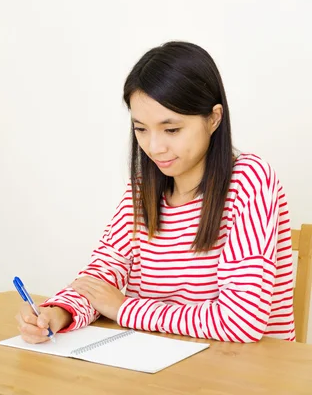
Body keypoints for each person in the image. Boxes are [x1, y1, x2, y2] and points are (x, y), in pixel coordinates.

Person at [16, 41, 294, 344]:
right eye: (141, 129)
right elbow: (101, 275)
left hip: (245, 375)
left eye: (171, 129)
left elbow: (241, 321)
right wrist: (58, 313)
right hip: (159, 366)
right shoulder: (142, 187)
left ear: (214, 118)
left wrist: (124, 308)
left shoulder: (250, 179)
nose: (153, 147)